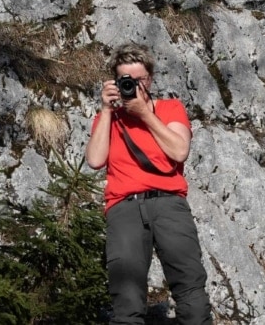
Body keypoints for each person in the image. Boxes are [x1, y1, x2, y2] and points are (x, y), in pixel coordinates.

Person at [85, 43, 212, 325]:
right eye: (124, 80)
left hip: (169, 204)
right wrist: (106, 111)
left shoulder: (170, 108)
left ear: (150, 79)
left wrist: (144, 114)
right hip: (123, 207)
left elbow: (179, 151)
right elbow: (95, 160)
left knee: (190, 287)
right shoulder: (108, 119)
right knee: (126, 299)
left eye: (138, 80)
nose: (132, 86)